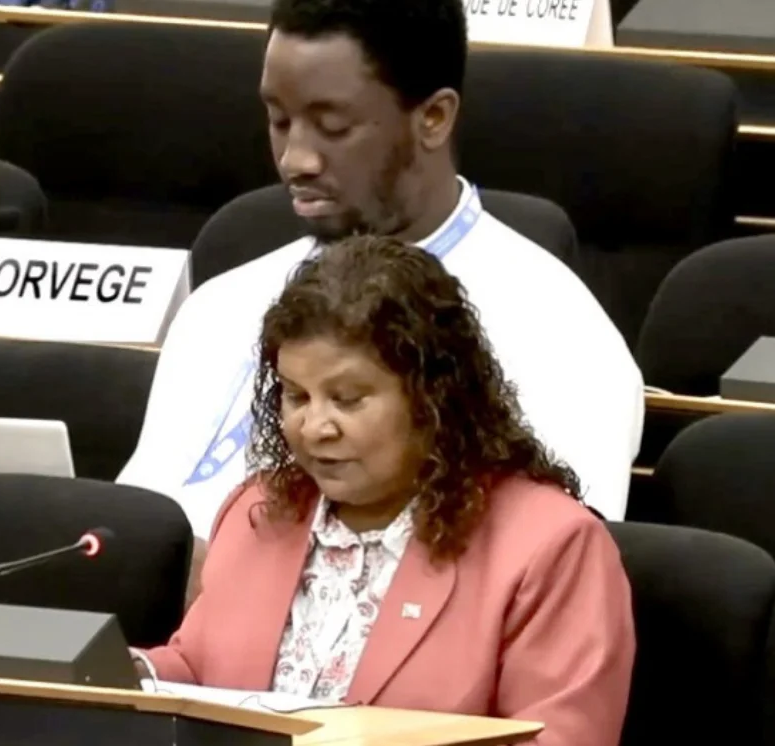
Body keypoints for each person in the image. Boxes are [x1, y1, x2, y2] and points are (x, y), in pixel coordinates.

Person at [115, 0, 644, 599]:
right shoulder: (218, 306)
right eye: (279, 120)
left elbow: (546, 580)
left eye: (332, 127)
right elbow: (138, 522)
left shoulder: (560, 333)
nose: (294, 160)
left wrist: (228, 591)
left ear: (434, 118)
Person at [135, 236, 635, 746]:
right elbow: (198, 672)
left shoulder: (551, 547)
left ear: (433, 398)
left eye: (347, 399)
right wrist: (131, 677)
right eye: (296, 396)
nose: (314, 427)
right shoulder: (259, 510)